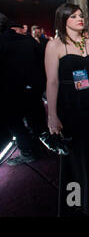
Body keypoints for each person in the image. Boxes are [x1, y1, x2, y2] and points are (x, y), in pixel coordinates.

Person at [45, 3, 89, 216]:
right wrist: (52, 114)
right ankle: (76, 203)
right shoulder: (55, 46)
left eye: (81, 15)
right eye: (74, 16)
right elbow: (52, 83)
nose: (79, 18)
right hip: (70, 107)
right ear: (63, 20)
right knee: (76, 158)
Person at [0, 18, 47, 166]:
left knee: (14, 123)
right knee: (35, 119)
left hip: (13, 91)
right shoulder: (28, 40)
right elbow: (41, 61)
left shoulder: (3, 42)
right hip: (34, 87)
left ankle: (28, 152)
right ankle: (41, 147)